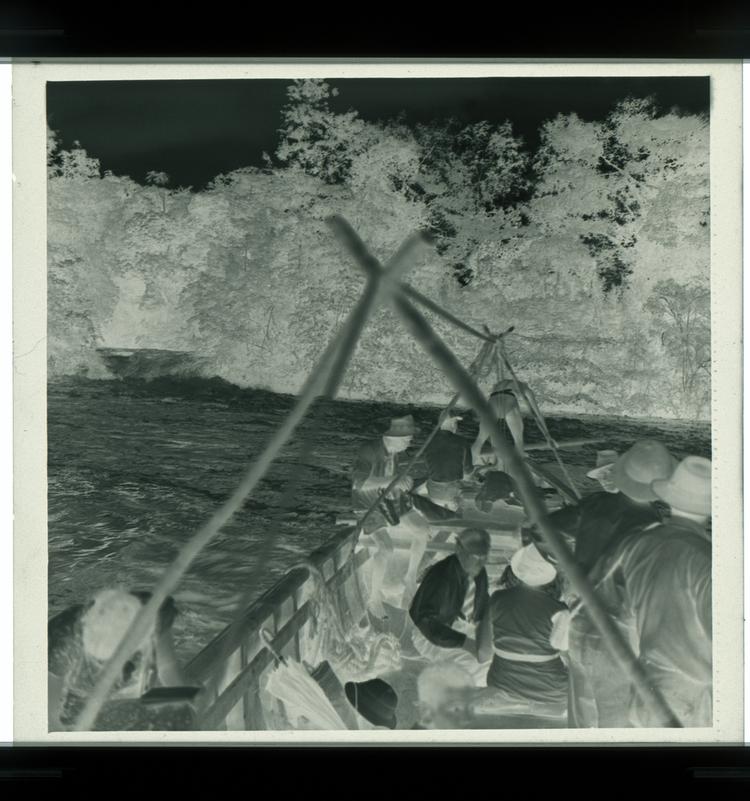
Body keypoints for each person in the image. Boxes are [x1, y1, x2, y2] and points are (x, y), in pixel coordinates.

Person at [567, 455, 712, 728]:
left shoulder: (638, 539)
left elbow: (606, 601)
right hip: (689, 697)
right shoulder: (708, 560)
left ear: (669, 496)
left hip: (644, 685)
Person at [526, 440, 673, 575]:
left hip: (589, 589)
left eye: (610, 472)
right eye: (601, 475)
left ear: (624, 476)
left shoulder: (595, 503)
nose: (605, 479)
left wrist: (564, 563)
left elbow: (541, 529)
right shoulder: (653, 516)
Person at [48, 588, 185, 731]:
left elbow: (167, 666)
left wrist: (186, 697)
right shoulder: (65, 641)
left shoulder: (154, 616)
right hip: (72, 682)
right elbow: (50, 715)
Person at [351, 415, 430, 618]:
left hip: (390, 499)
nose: (409, 442)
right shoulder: (368, 450)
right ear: (393, 437)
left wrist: (406, 481)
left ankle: (410, 577)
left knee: (422, 529)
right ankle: (374, 598)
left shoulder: (397, 452)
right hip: (368, 504)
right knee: (386, 548)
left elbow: (398, 479)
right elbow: (359, 484)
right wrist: (393, 479)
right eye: (407, 439)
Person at [485, 545, 569, 712]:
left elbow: (486, 648)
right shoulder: (559, 609)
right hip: (550, 690)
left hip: (502, 683)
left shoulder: (497, 598)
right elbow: (564, 649)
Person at [408, 528, 493, 685]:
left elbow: (482, 603)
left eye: (484, 557)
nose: (480, 562)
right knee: (472, 666)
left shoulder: (478, 571)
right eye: (475, 556)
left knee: (494, 658)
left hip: (459, 625)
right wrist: (466, 643)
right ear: (459, 549)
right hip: (430, 636)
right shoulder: (441, 576)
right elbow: (426, 623)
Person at [471, 378, 547, 465]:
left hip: (491, 404)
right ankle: (518, 463)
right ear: (526, 384)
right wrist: (547, 435)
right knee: (518, 440)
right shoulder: (526, 389)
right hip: (508, 401)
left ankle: (469, 468)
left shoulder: (500, 383)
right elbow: (537, 414)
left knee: (479, 440)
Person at [423, 410, 473, 487]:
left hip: (433, 486)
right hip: (454, 487)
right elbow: (468, 469)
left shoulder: (428, 441)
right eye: (456, 422)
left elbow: (428, 464)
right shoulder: (462, 441)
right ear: (453, 424)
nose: (457, 426)